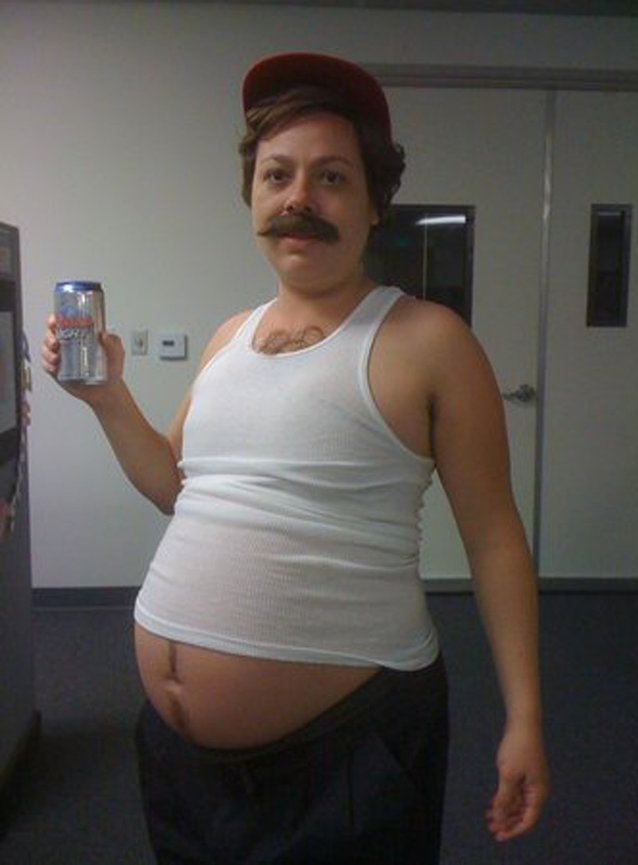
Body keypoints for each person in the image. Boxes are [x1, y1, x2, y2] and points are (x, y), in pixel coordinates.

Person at [42, 52, 549, 864]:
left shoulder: (430, 340)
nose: (298, 200)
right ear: (252, 195)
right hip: (179, 763)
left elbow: (494, 540)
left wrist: (525, 717)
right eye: (277, 175)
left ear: (374, 203)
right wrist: (107, 397)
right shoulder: (228, 336)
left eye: (332, 177)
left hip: (343, 757)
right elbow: (174, 486)